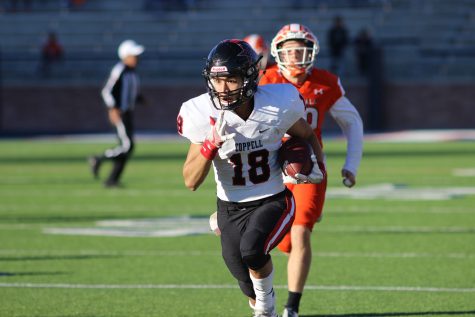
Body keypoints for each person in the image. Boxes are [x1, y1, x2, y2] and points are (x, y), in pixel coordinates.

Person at [177, 39, 326, 317]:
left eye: (231, 80)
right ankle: (260, 303)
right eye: (217, 80)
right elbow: (190, 180)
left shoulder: (277, 104)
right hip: (229, 205)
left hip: (271, 198)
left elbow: (306, 134)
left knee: (252, 251)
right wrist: (209, 145)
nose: (222, 88)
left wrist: (318, 164)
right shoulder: (203, 115)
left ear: (248, 77)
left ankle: (266, 310)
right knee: (241, 272)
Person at [259, 23, 364, 317]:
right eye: (289, 50)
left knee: (301, 231)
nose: (294, 57)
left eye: (300, 50)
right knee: (284, 243)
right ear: (278, 53)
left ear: (312, 52)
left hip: (309, 167)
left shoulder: (325, 82)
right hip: (270, 167)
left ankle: (291, 307)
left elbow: (352, 122)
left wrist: (350, 164)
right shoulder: (264, 80)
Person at [89, 39, 145, 187]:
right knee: (127, 146)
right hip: (120, 112)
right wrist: (112, 108)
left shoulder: (132, 73)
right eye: (134, 55)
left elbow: (131, 92)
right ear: (125, 55)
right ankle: (98, 159)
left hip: (128, 112)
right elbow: (107, 90)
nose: (137, 58)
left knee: (126, 147)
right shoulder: (120, 69)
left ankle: (112, 179)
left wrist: (141, 99)